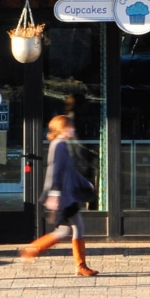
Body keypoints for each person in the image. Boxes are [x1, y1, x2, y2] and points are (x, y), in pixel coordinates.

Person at [18, 114, 97, 276]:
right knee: (66, 230)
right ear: (62, 128)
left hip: (66, 196)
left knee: (71, 228)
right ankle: (33, 250)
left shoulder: (62, 145)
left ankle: (79, 265)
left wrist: (85, 183)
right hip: (62, 198)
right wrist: (54, 194)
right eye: (70, 127)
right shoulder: (59, 145)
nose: (73, 129)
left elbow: (70, 171)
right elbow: (55, 171)